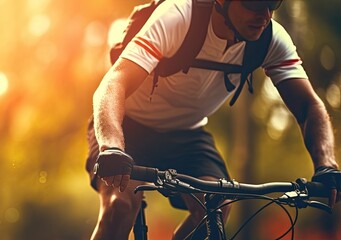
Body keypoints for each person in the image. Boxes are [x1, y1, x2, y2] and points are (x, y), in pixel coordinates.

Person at [85, 0, 341, 239]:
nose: (265, 15)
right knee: (120, 206)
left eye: (273, 2)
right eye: (253, 2)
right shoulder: (179, 16)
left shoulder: (271, 39)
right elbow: (113, 84)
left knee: (217, 204)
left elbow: (308, 106)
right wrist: (112, 146)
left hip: (188, 134)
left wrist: (326, 165)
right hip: (128, 127)